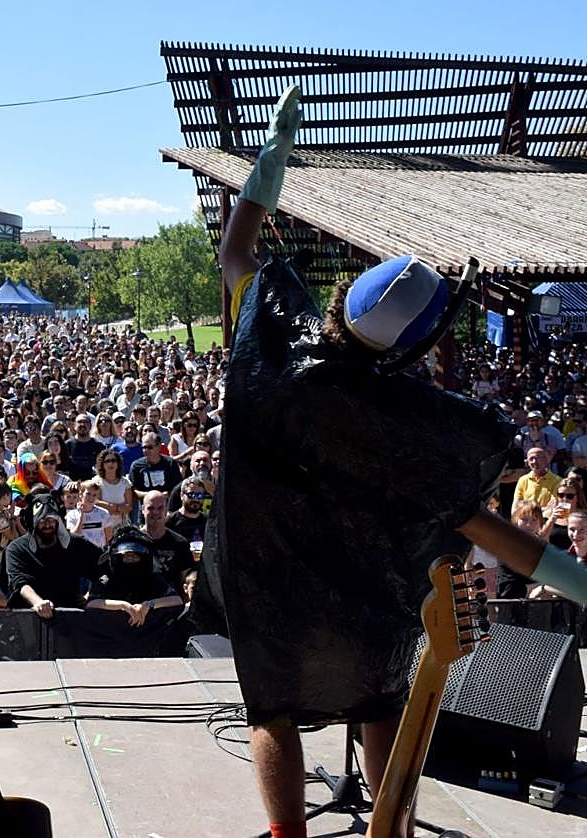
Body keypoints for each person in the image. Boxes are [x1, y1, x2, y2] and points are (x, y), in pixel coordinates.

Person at [211, 84, 587, 838]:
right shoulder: (404, 423)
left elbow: (237, 248)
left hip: (263, 574)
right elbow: (483, 524)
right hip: (363, 587)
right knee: (381, 700)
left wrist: (271, 161)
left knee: (271, 709)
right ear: (414, 345)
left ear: (345, 298)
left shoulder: (273, 332)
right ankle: (396, 830)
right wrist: (577, 578)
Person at [5, 489, 102, 617]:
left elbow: (102, 567)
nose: (48, 525)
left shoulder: (75, 544)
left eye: (52, 520)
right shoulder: (17, 548)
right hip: (29, 618)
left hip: (70, 618)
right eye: (43, 521)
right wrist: (38, 603)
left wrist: (91, 596)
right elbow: (20, 583)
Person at [85, 527, 182, 627]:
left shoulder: (153, 578)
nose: (130, 559)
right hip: (112, 633)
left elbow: (176, 600)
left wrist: (148, 605)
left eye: (135, 556)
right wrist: (123, 606)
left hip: (147, 634)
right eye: (126, 556)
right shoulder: (108, 579)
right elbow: (91, 604)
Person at [128, 431, 182, 504]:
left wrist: (167, 495)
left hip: (167, 506)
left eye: (150, 447)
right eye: (144, 447)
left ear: (159, 447)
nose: (146, 450)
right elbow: (133, 491)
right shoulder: (136, 466)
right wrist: (153, 496)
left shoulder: (170, 463)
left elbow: (178, 487)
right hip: (146, 508)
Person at [93, 449, 134, 531]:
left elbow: (129, 507)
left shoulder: (125, 483)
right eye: (107, 461)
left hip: (122, 525)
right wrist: (112, 507)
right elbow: (95, 502)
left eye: (113, 460)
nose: (110, 463)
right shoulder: (96, 482)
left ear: (118, 463)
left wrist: (115, 509)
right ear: (102, 464)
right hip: (102, 525)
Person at [65, 480, 112, 549]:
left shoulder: (104, 513)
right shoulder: (72, 514)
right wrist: (81, 516)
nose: (91, 498)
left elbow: (109, 537)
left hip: (99, 553)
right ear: (80, 494)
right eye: (88, 494)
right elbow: (73, 536)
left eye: (94, 495)